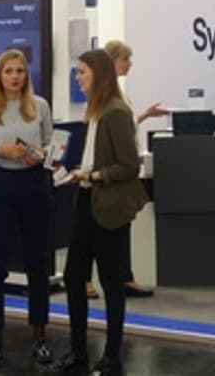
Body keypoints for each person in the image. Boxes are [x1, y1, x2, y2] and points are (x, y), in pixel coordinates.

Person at [52, 49, 147, 376]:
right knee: (74, 276)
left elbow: (128, 166)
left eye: (82, 72)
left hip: (108, 206)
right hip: (86, 201)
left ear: (99, 74)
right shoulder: (94, 110)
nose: (77, 77)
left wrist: (93, 176)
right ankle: (79, 353)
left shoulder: (116, 111)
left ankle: (112, 357)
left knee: (111, 282)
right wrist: (81, 174)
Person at [0, 49, 54, 370]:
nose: (15, 76)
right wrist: (0, 150)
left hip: (35, 186)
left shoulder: (40, 106)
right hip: (1, 187)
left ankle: (40, 337)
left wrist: (40, 154)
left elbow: (52, 146)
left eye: (20, 71)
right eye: (9, 71)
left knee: (38, 265)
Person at [100, 39, 161, 299]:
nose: (130, 64)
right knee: (108, 228)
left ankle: (124, 277)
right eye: (125, 59)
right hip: (114, 169)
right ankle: (105, 279)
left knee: (122, 225)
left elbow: (124, 126)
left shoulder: (117, 94)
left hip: (121, 168)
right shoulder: (106, 94)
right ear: (112, 61)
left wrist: (144, 115)